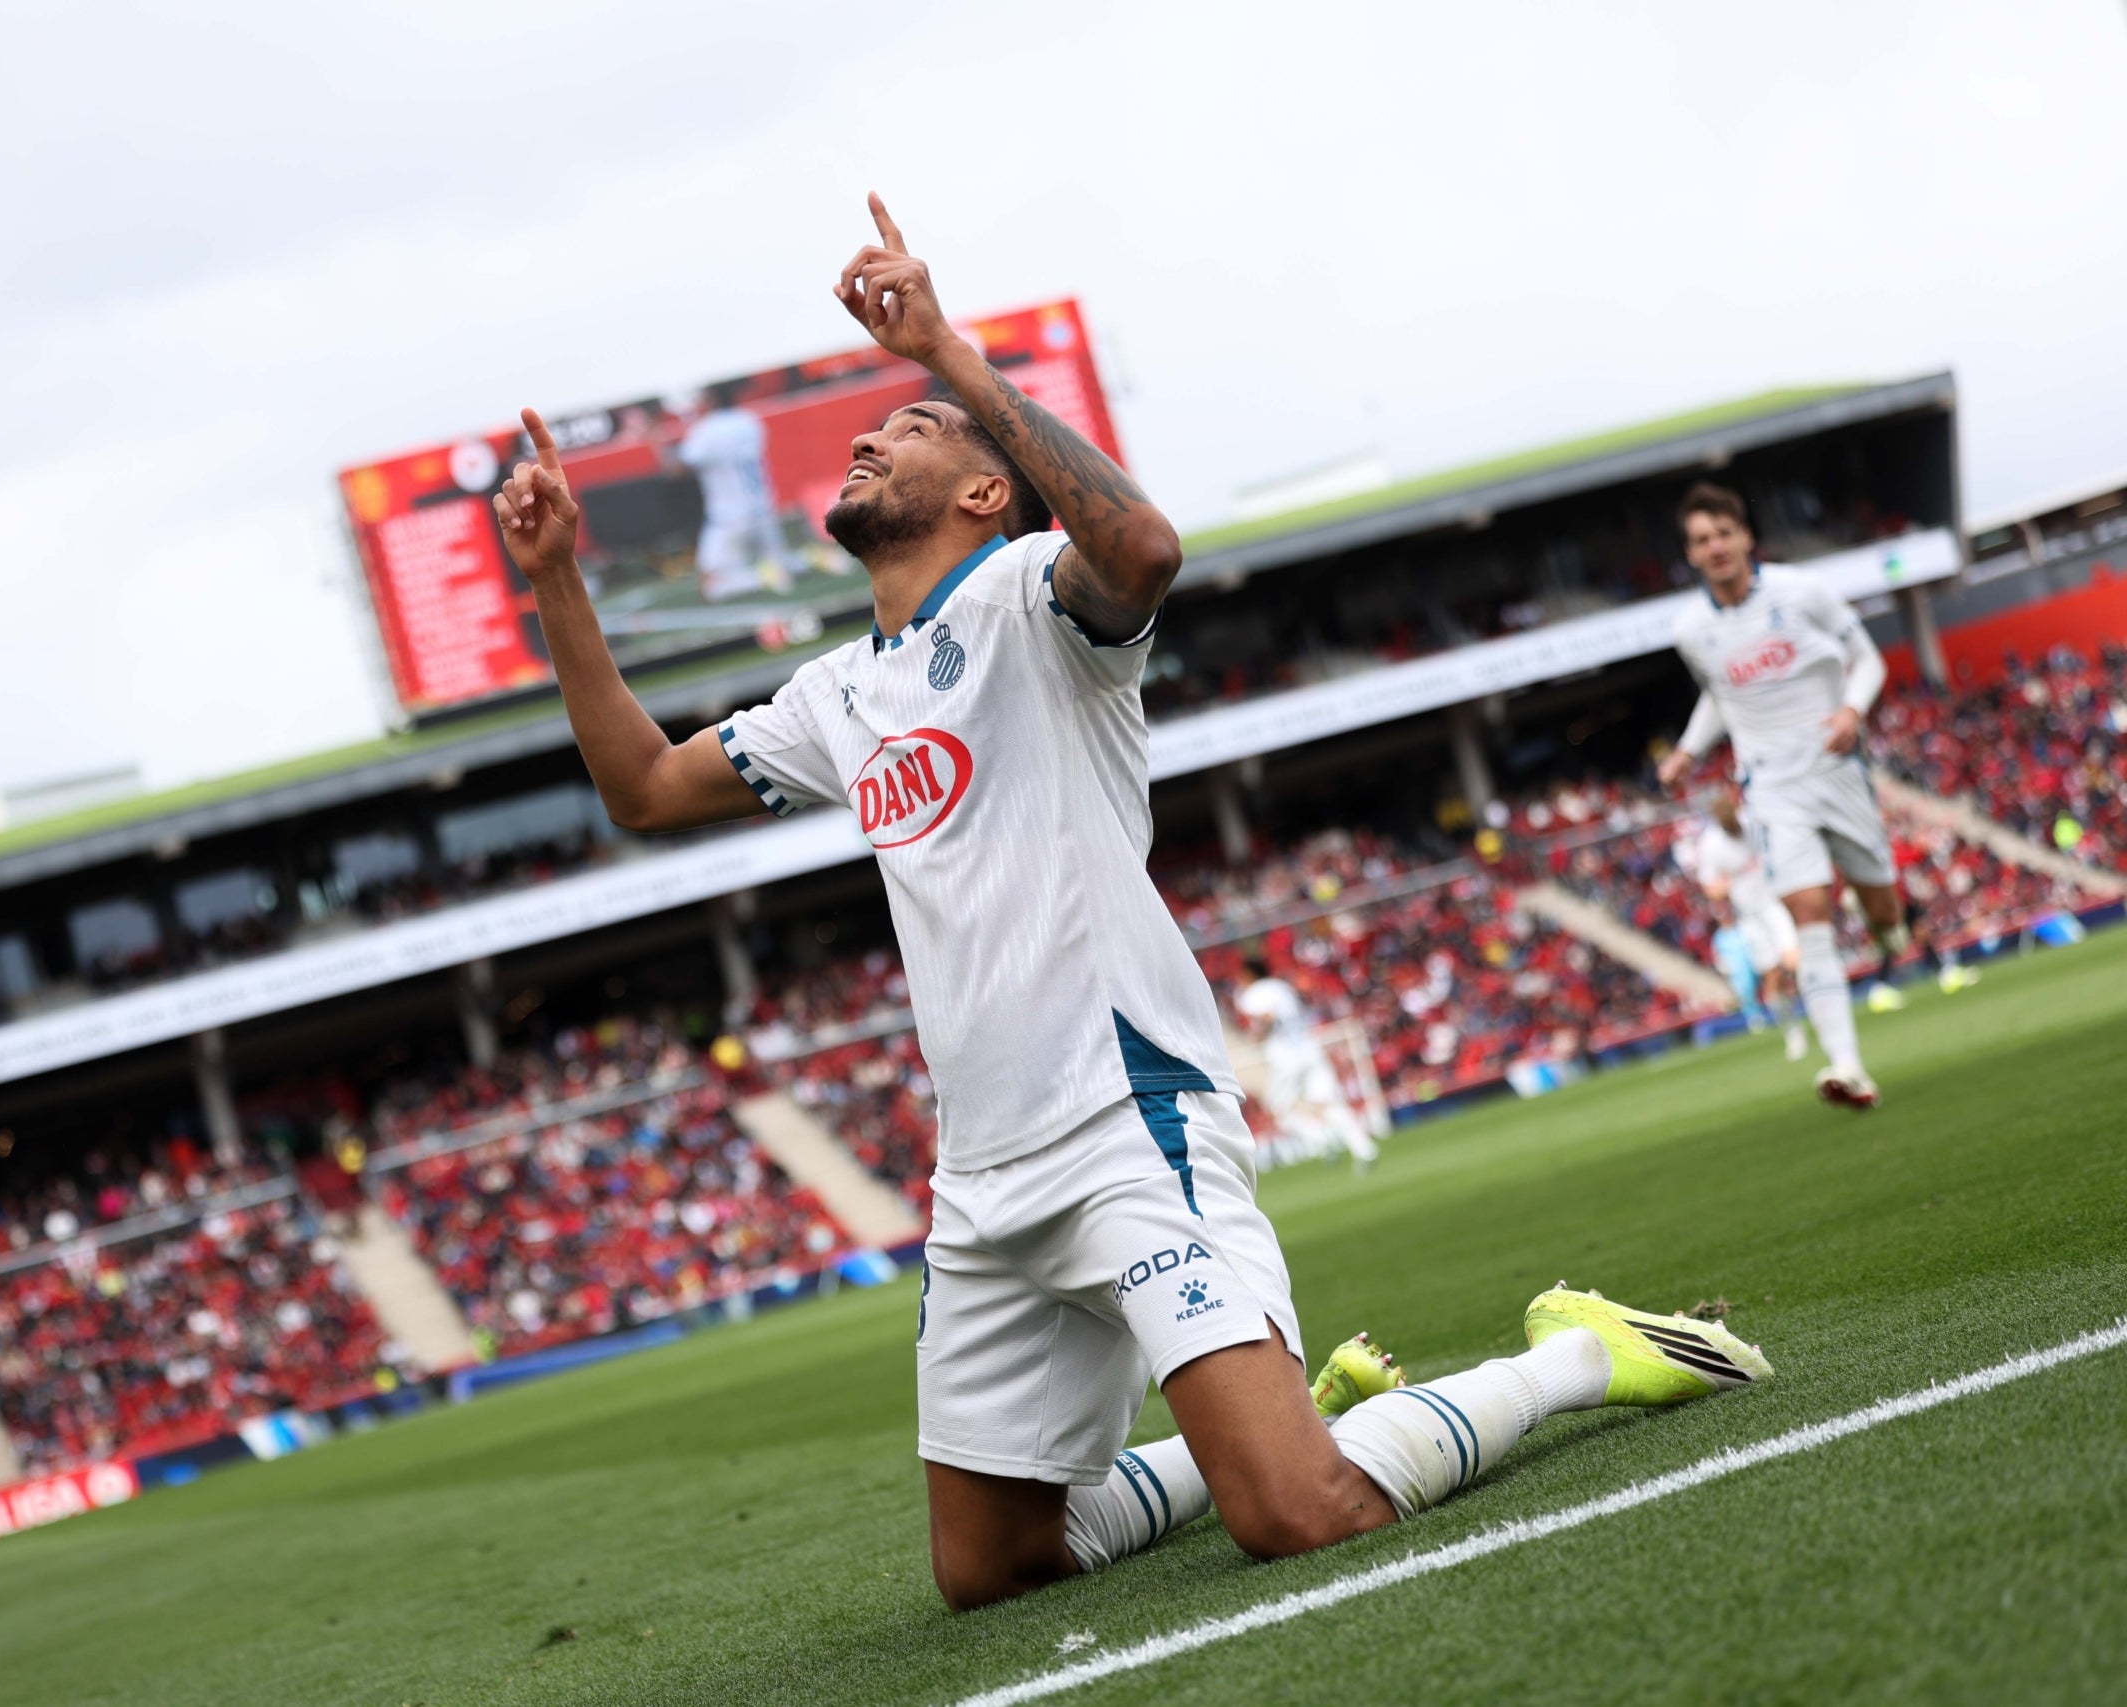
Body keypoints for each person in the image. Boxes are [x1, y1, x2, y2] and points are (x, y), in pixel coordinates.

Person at [491, 194, 1771, 1610]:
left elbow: (1146, 549)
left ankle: (1574, 1353)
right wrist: (557, 586)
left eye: (910, 431)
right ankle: (1277, 1416)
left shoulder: (1037, 599)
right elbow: (644, 789)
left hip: (1122, 1121)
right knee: (993, 1567)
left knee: (1299, 1511)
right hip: (983, 1177)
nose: (871, 437)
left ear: (986, 494)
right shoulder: (835, 694)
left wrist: (950, 357)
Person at [1656, 483, 1968, 1110]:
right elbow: (1720, 693)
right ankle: (1847, 1067)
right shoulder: (1691, 631)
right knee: (1807, 910)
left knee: (1884, 914)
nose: (1715, 547)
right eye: (1701, 540)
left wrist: (1852, 710)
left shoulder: (1803, 591)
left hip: (1836, 768)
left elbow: (1868, 660)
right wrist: (1688, 750)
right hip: (1770, 785)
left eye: (1723, 533)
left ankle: (1885, 934)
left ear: (1746, 537)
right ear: (1690, 554)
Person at [1679, 792, 1809, 1061]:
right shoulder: (1711, 845)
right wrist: (1726, 883)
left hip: (1776, 904)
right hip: (1750, 917)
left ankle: (1821, 1011)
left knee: (1793, 960)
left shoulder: (1753, 823)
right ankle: (1792, 1031)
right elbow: (1711, 888)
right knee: (1772, 977)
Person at [654, 383, 802, 601]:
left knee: (711, 585)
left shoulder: (707, 430)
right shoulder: (748, 420)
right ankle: (809, 559)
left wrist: (656, 441)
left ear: (711, 397)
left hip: (729, 516)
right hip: (763, 507)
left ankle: (762, 577)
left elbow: (676, 471)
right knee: (780, 562)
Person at [1232, 972, 1377, 1168]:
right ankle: (1364, 1149)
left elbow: (1266, 1018)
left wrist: (1256, 1035)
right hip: (1309, 1049)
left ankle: (1321, 1139)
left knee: (1278, 1110)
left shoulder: (1253, 994)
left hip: (1285, 1058)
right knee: (1329, 1103)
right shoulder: (1283, 987)